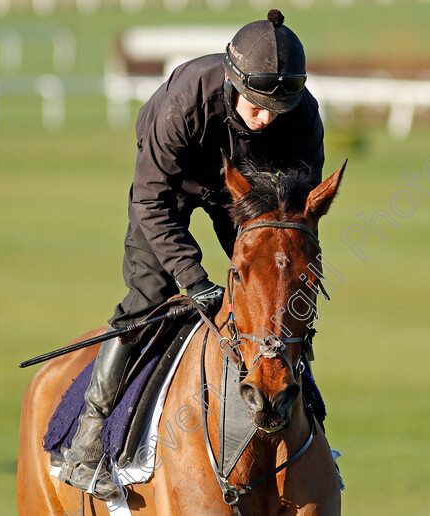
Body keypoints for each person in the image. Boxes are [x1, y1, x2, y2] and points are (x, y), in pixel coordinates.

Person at [58, 9, 325, 497]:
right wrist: (195, 279)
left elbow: (293, 218)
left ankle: (309, 423)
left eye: (278, 109)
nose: (267, 119)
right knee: (148, 295)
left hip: (244, 195)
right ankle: (88, 440)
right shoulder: (184, 104)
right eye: (257, 106)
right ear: (232, 81)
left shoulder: (302, 117)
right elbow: (149, 200)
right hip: (167, 187)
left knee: (274, 297)